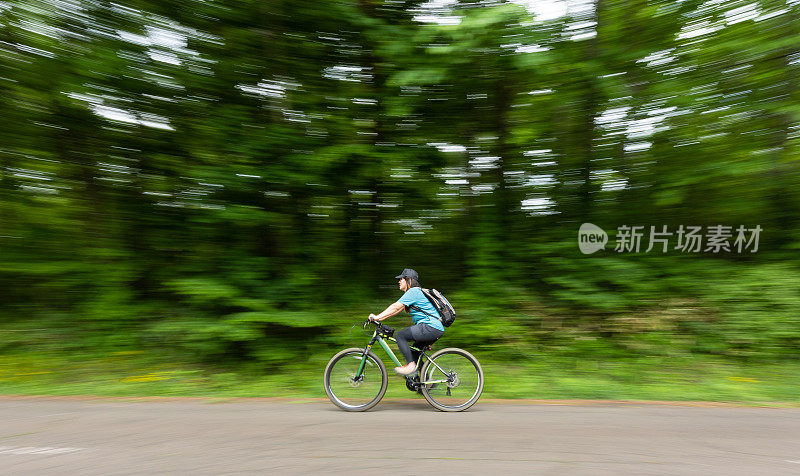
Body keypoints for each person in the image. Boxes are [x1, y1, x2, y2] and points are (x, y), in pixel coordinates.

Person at [368, 268, 445, 375]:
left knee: (400, 336)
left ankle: (410, 365)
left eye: (401, 279)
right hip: (434, 328)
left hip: (430, 327)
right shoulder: (414, 293)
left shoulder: (414, 291)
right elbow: (397, 310)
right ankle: (426, 385)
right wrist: (380, 318)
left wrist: (377, 317)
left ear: (408, 279)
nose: (399, 281)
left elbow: (395, 307)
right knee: (414, 353)